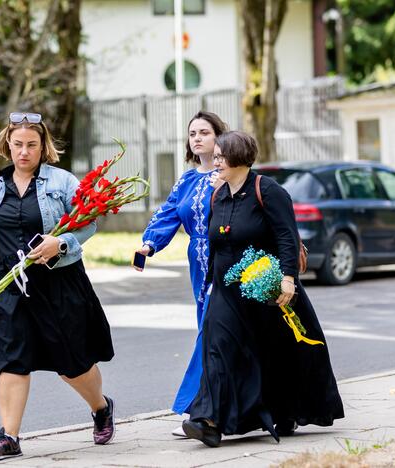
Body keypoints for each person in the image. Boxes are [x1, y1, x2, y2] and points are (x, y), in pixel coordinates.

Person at [183, 131, 344, 447]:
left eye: (220, 156)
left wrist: (287, 278)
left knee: (275, 353)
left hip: (265, 290)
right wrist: (209, 283)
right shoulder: (219, 195)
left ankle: (282, 411)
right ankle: (208, 420)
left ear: (238, 157)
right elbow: (217, 239)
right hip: (226, 290)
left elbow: (287, 236)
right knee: (216, 348)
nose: (214, 162)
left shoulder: (267, 191)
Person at [0, 112, 116, 461]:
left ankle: (100, 407)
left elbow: (88, 224)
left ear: (43, 146)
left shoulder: (63, 182)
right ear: (7, 145)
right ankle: (9, 437)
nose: (24, 151)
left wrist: (60, 243)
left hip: (57, 282)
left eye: (31, 145)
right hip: (8, 284)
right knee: (11, 361)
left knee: (72, 363)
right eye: (18, 144)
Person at [135, 111, 228, 435]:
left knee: (211, 330)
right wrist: (149, 244)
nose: (198, 138)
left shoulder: (228, 175)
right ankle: (212, 409)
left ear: (219, 137)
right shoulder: (187, 180)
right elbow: (167, 214)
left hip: (227, 260)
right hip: (198, 263)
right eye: (193, 133)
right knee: (210, 329)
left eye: (205, 131)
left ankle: (195, 407)